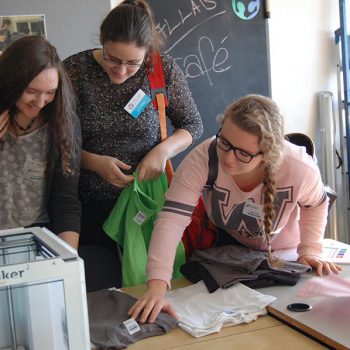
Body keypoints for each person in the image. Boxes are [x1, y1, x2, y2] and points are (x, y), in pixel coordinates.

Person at [129, 94, 342, 323]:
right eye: (225, 143)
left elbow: (317, 204)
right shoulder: (204, 158)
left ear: (267, 153)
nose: (228, 158)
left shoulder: (299, 167)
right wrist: (157, 287)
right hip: (230, 254)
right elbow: (171, 220)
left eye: (243, 153)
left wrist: (310, 249)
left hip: (286, 259)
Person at [63, 0, 203, 288]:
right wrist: (93, 162)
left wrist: (162, 151)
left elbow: (193, 125)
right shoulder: (74, 71)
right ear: (102, 39)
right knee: (102, 286)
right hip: (90, 205)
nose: (121, 70)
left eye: (132, 63)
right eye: (113, 59)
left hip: (146, 203)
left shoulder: (161, 69)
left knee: (146, 284)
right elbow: (54, 139)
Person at [0, 35, 81, 249]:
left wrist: (69, 259)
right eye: (31, 91)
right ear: (11, 82)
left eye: (50, 93)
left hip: (39, 235)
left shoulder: (63, 122)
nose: (40, 102)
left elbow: (66, 201)